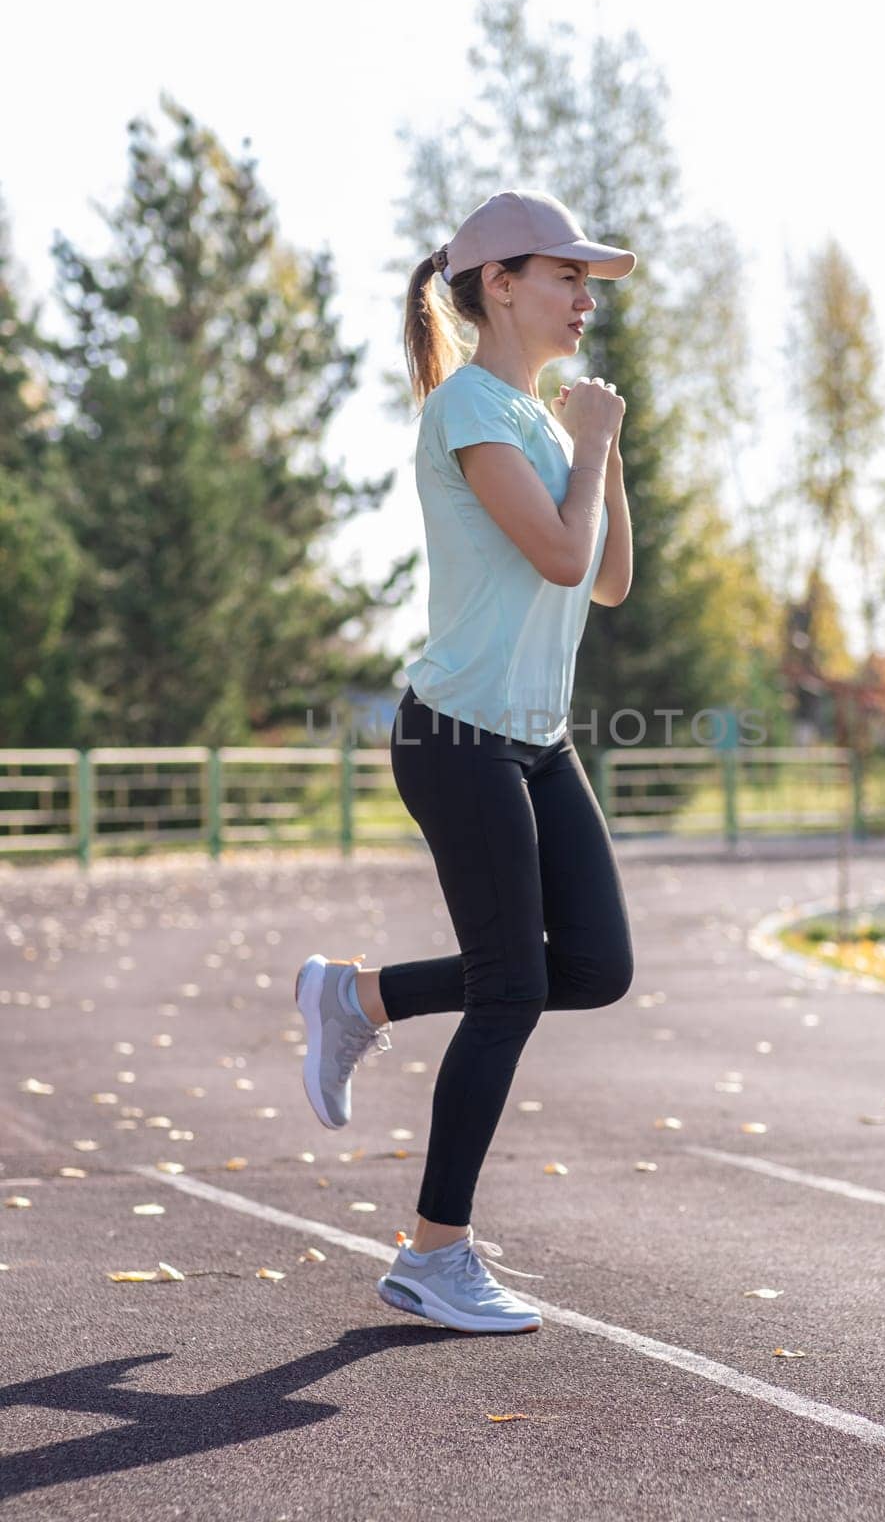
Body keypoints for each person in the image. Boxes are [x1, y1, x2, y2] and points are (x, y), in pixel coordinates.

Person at [295, 188, 638, 1335]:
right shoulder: (465, 412)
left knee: (591, 965)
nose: (585, 298)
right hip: (454, 736)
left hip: (534, 741)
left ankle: (360, 995)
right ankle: (433, 1252)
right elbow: (552, 555)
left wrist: (606, 455)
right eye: (564, 276)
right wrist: (586, 451)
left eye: (587, 282)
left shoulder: (546, 422)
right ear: (499, 284)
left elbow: (606, 577)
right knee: (512, 990)